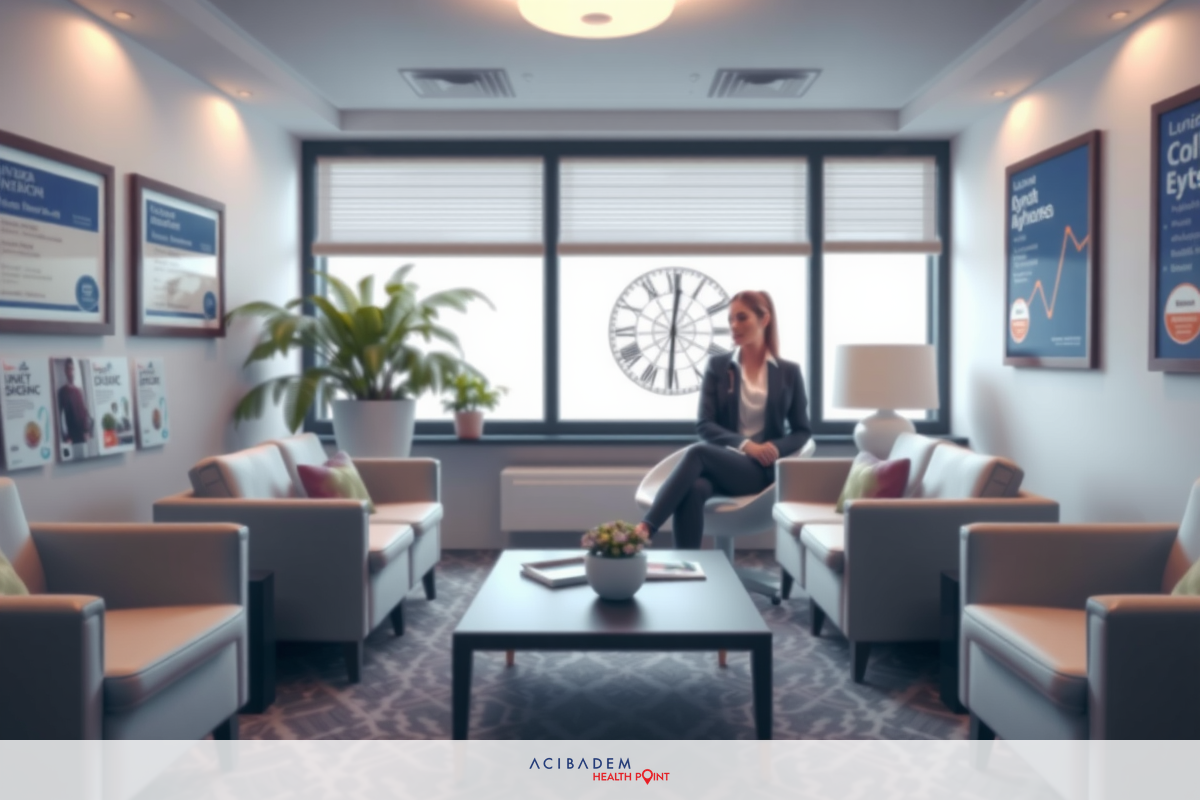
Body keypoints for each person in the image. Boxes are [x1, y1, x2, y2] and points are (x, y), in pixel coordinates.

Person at [636, 290, 811, 549]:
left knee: (698, 453)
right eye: (730, 319)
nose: (733, 326)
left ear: (765, 320)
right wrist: (744, 444)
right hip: (720, 465)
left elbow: (802, 431)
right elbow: (704, 425)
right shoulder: (718, 367)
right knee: (694, 489)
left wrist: (774, 449)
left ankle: (646, 527)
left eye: (742, 318)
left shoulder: (789, 372)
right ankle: (687, 570)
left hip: (759, 472)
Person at [57, 358, 92, 445]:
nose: (71, 372)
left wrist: (87, 431)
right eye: (69, 368)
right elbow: (60, 416)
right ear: (65, 371)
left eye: (73, 369)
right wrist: (65, 436)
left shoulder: (79, 390)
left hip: (83, 435)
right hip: (71, 436)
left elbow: (84, 413)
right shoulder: (62, 391)